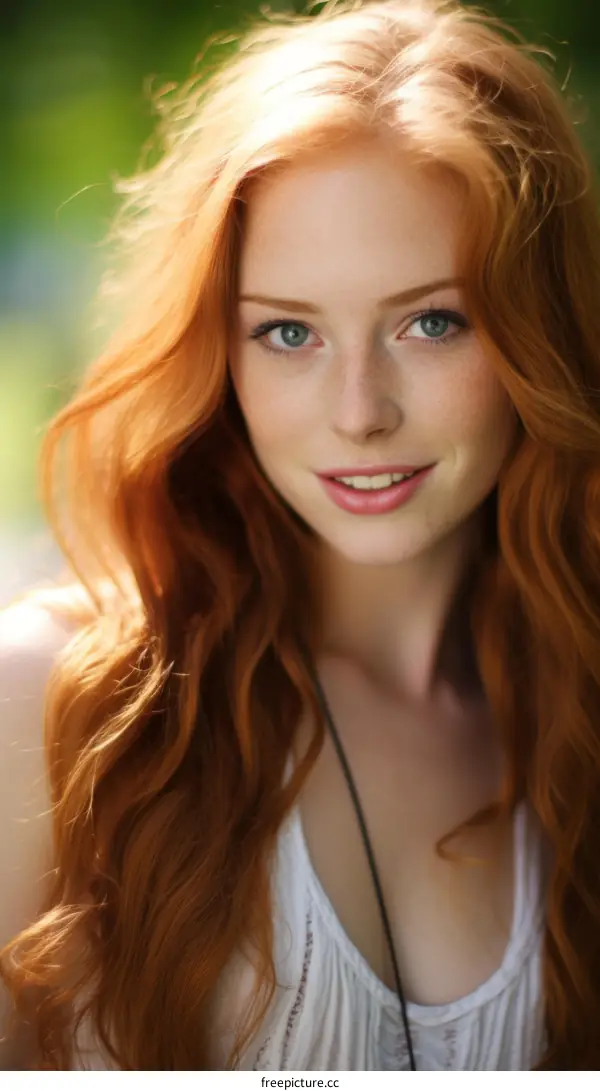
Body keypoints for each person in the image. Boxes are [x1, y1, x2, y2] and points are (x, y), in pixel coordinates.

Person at [1, 0, 599, 1071]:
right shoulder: (60, 706)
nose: (360, 410)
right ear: (217, 355)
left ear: (536, 328)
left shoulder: (581, 706)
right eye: (288, 331)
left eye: (431, 321)